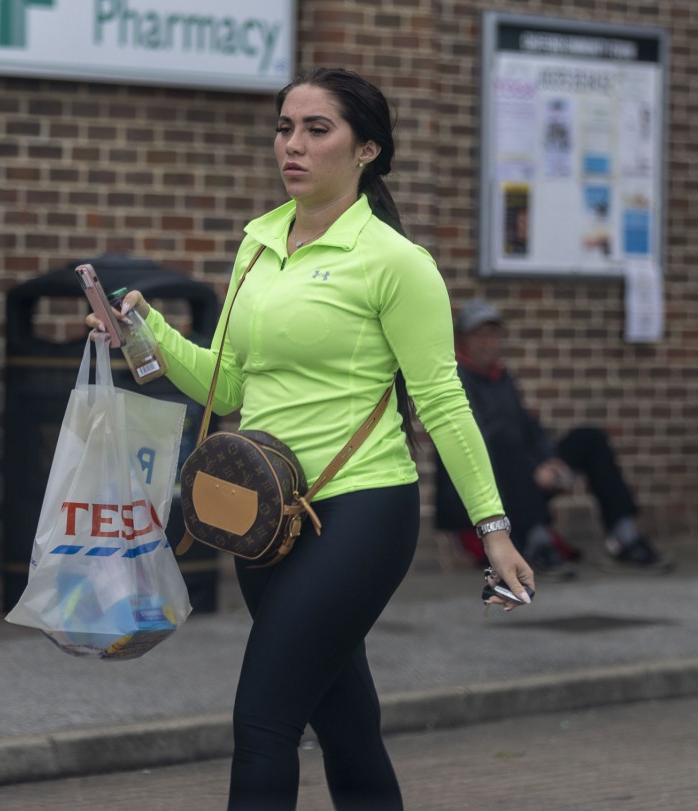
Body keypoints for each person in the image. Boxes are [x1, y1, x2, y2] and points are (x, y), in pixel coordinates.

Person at [87, 68, 534, 811]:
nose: (291, 145)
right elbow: (229, 387)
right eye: (284, 127)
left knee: (263, 719)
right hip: (264, 513)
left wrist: (495, 529)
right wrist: (148, 331)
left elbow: (443, 402)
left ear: (366, 150)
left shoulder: (396, 261)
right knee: (345, 721)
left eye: (315, 129)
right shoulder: (259, 243)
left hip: (361, 509)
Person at [435, 299, 673, 580]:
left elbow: (528, 427)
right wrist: (534, 468)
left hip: (524, 477)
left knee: (590, 438)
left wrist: (550, 460)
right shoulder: (456, 378)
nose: (487, 343)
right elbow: (484, 438)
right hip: (484, 486)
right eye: (479, 335)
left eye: (492, 334)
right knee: (504, 443)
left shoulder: (502, 377)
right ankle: (537, 542)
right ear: (462, 339)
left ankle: (624, 535)